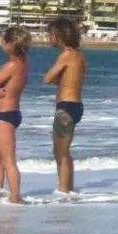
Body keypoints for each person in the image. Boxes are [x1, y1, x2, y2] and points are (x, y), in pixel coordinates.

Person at [0, 25, 31, 204]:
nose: (2, 43)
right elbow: (6, 86)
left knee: (8, 159)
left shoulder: (12, 65)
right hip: (4, 115)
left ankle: (16, 197)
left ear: (10, 44)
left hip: (5, 115)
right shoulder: (23, 64)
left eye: (4, 40)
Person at [43, 16, 88, 195]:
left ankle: (63, 190)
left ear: (59, 36)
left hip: (65, 106)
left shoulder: (66, 55)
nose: (49, 38)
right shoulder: (80, 56)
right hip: (77, 105)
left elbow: (47, 78)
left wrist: (57, 80)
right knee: (65, 151)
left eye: (51, 35)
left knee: (60, 152)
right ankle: (68, 188)